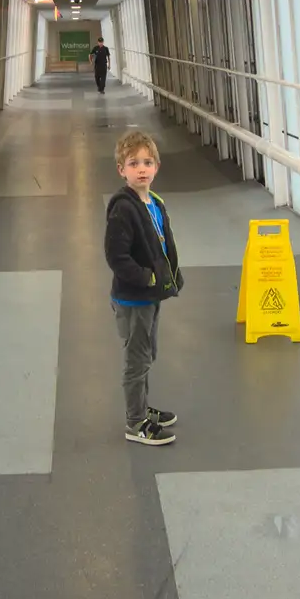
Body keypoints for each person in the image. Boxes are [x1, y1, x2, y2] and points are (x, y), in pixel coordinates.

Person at [104, 130, 183, 445]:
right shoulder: (123, 208)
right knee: (137, 360)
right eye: (133, 162)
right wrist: (146, 278)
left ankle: (141, 407)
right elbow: (116, 256)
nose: (141, 168)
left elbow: (163, 245)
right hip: (134, 298)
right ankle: (135, 422)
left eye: (147, 162)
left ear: (157, 167)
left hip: (151, 295)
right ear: (121, 169)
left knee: (148, 353)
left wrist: (169, 278)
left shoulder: (154, 202)